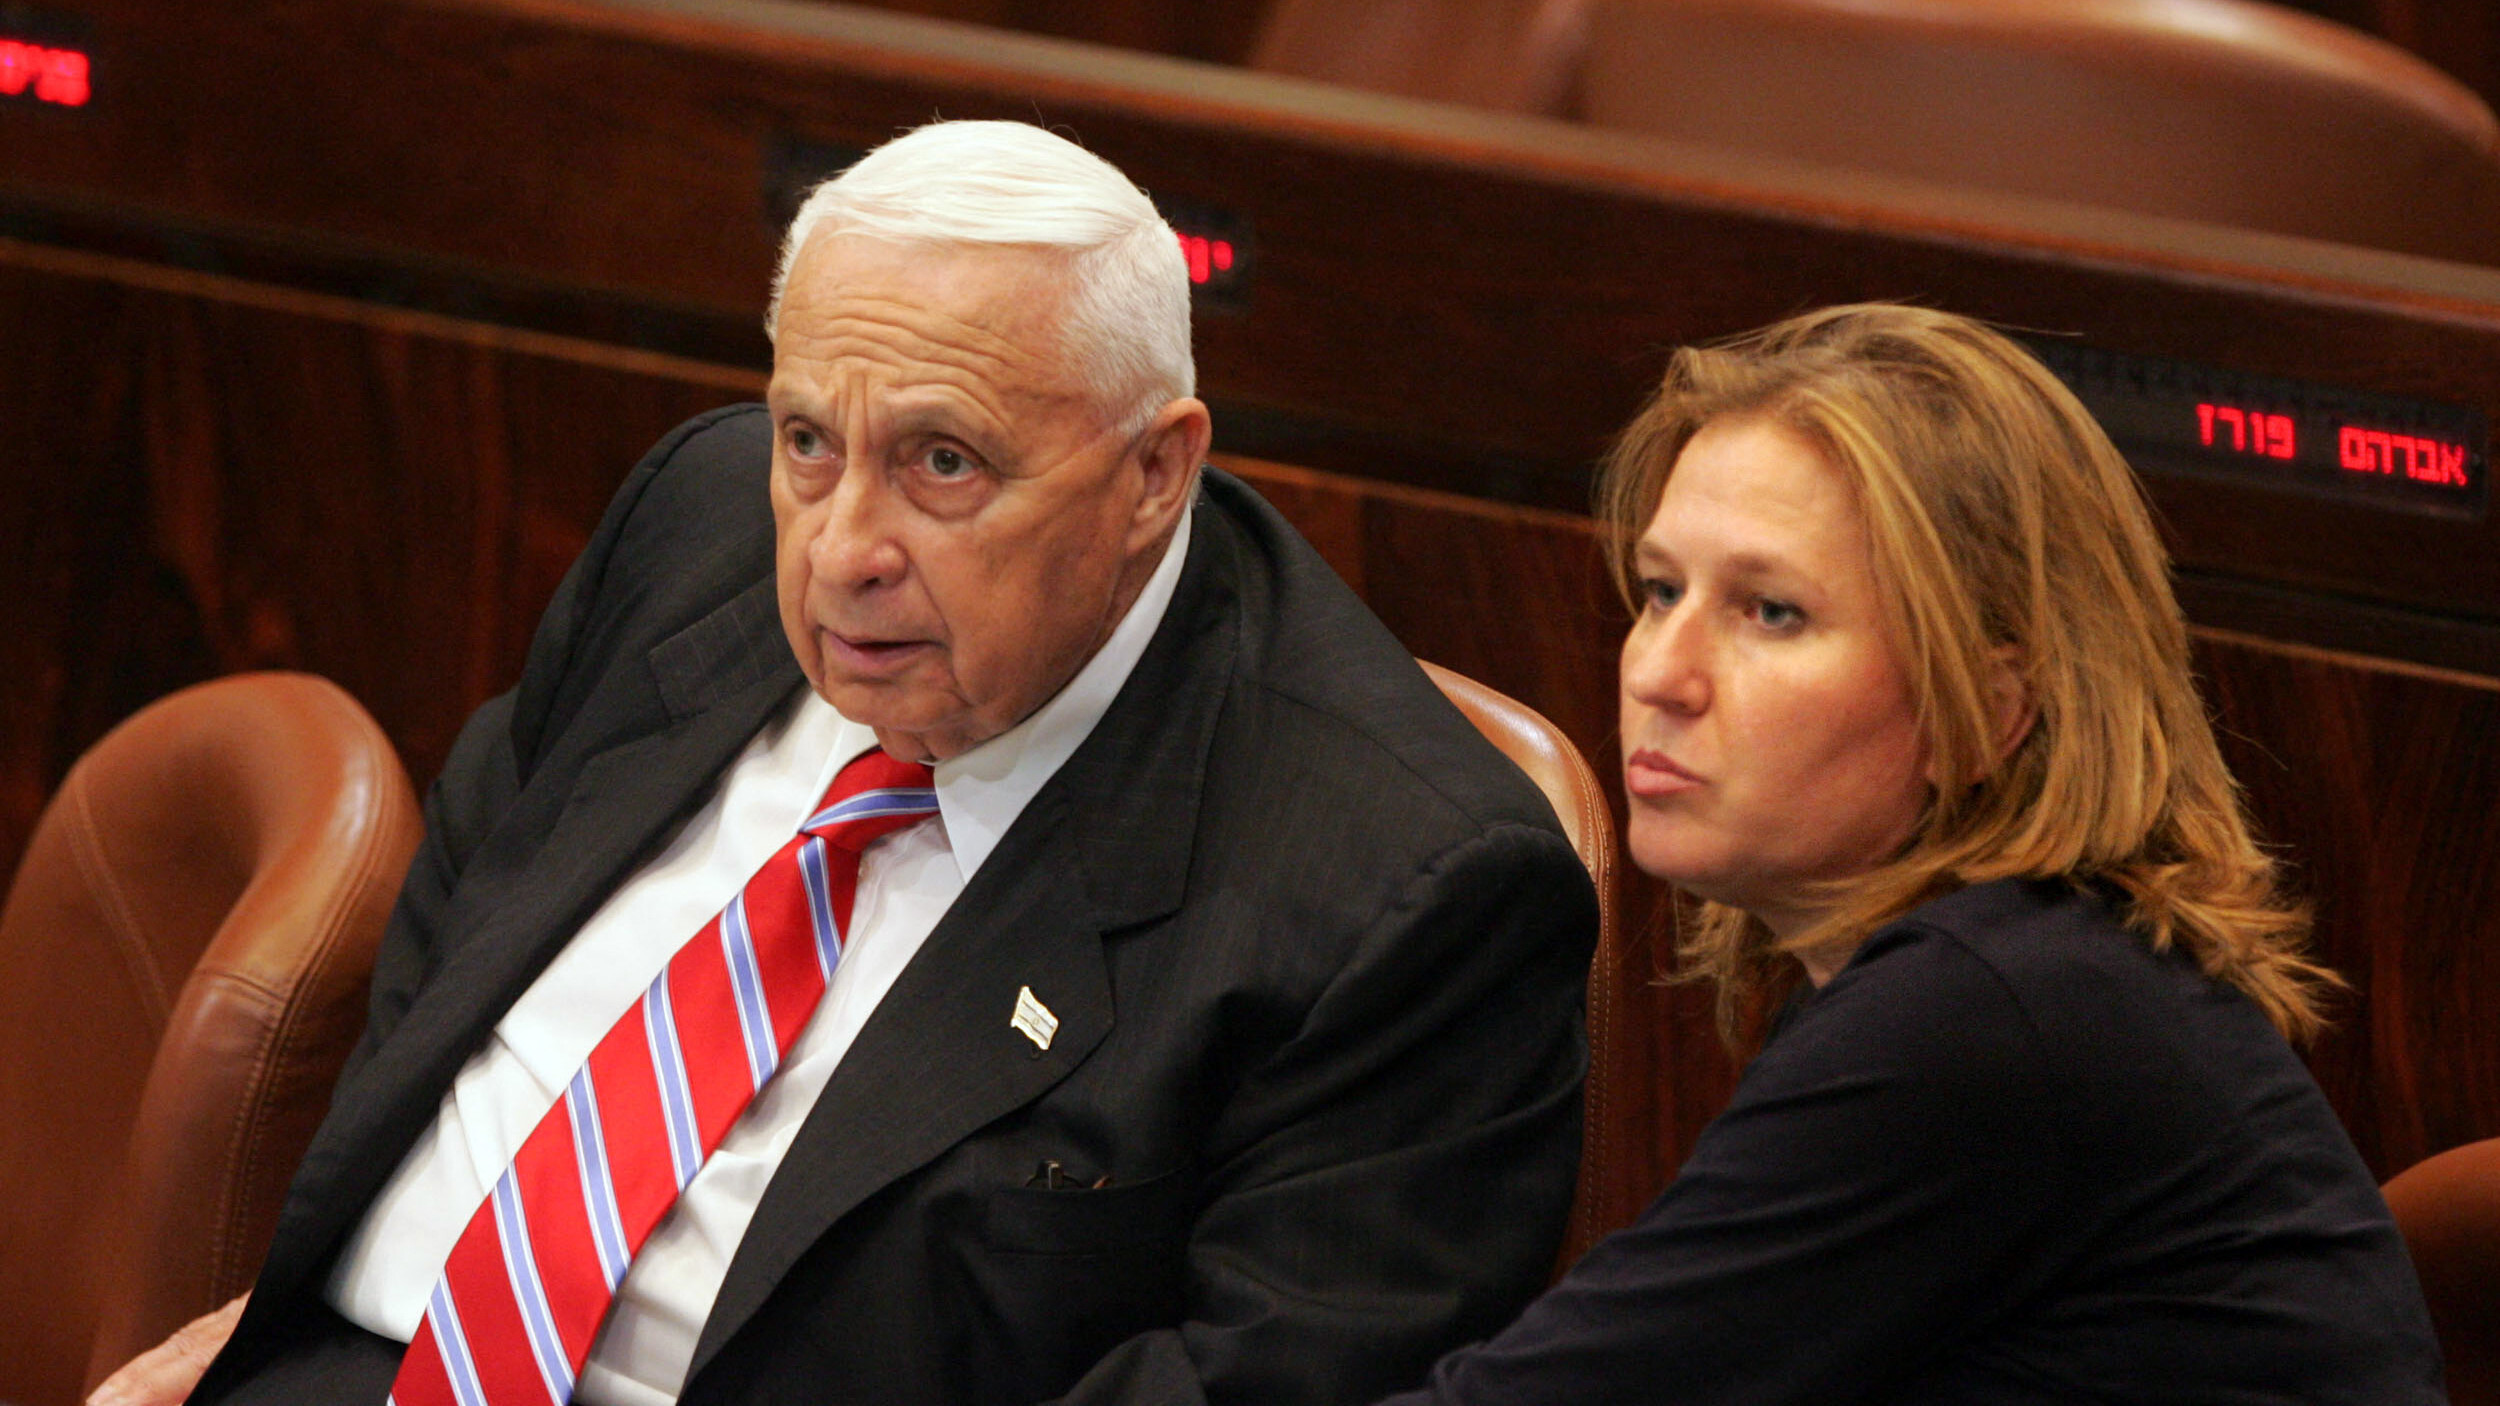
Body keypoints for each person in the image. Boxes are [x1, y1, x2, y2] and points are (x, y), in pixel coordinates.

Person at [98, 120, 1596, 1406]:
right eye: (809, 442)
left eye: (944, 462)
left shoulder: (1402, 891)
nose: (841, 552)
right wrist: (306, 1303)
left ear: (1156, 471)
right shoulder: (693, 522)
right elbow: (465, 929)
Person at [1379, 303, 2447, 1404]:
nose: (1658, 672)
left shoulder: (1987, 1021)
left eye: (1770, 612)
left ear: (1988, 708)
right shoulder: (2008, 969)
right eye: (1661, 590)